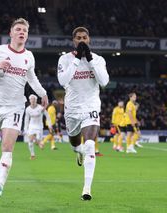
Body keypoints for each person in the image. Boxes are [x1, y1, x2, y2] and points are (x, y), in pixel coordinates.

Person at [0, 18, 48, 198]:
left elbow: (32, 78)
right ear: (11, 33)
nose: (22, 32)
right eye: (19, 29)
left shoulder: (29, 56)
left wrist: (43, 93)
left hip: (15, 107)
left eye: (25, 31)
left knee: (8, 147)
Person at [57, 26, 109, 200]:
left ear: (89, 40)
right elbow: (63, 80)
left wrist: (90, 59)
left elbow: (104, 82)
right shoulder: (65, 59)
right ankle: (77, 151)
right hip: (72, 108)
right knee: (74, 143)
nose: (81, 40)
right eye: (78, 38)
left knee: (89, 145)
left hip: (90, 107)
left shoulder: (98, 59)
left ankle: (86, 189)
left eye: (84, 37)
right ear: (74, 41)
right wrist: (78, 59)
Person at [24, 94, 52, 160]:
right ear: (29, 100)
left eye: (34, 99)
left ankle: (39, 142)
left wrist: (50, 126)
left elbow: (47, 116)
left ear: (36, 100)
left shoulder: (40, 108)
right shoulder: (28, 109)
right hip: (31, 126)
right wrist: (25, 129)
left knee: (38, 140)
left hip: (39, 127)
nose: (32, 101)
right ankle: (32, 155)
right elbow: (26, 119)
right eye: (31, 99)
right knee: (30, 140)